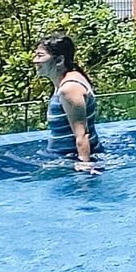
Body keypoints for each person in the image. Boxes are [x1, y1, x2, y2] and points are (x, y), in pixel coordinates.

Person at [35, 33, 102, 170]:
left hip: (68, 160)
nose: (34, 60)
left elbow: (82, 134)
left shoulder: (69, 88)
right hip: (62, 158)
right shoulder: (65, 81)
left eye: (40, 56)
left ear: (59, 60)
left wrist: (85, 166)